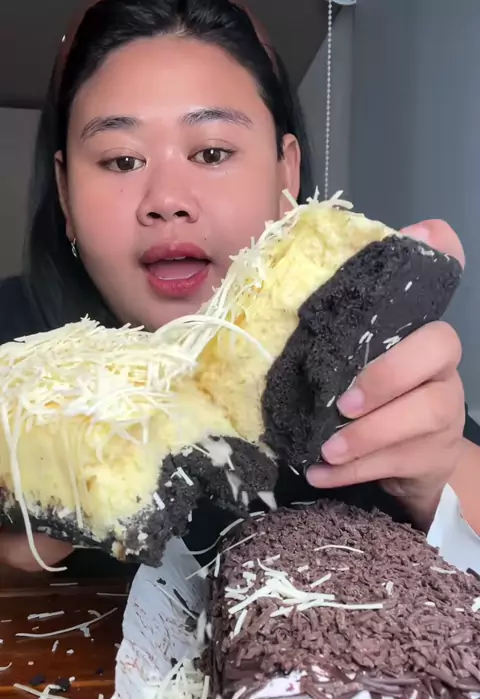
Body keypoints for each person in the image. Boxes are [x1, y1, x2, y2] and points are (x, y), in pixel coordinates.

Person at [0, 0, 477, 574]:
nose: (167, 200)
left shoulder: (368, 347)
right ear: (65, 192)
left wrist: (439, 473)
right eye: (122, 161)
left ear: (286, 174)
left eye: (212, 152)